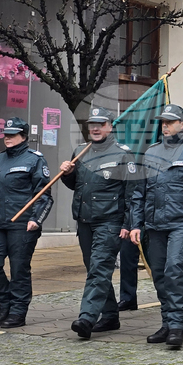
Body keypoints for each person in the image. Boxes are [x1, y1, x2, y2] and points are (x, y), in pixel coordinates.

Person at [129, 104, 183, 348]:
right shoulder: (151, 153)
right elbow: (139, 193)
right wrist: (136, 224)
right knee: (159, 273)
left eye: (170, 121)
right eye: (163, 122)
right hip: (155, 225)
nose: (165, 126)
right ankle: (167, 322)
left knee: (174, 270)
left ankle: (177, 326)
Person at [60, 107, 136, 339]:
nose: (94, 127)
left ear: (110, 126)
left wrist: (128, 223)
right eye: (92, 124)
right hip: (84, 221)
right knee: (95, 269)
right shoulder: (81, 151)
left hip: (110, 222)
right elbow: (78, 186)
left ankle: (86, 317)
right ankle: (111, 315)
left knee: (99, 268)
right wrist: (67, 173)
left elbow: (132, 193)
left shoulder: (123, 153)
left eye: (100, 124)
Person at [0, 117, 53, 328]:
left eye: (13, 135)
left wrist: (37, 219)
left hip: (22, 225)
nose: (8, 138)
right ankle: (5, 302)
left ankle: (17, 311)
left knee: (19, 269)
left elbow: (44, 195)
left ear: (23, 136)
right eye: (6, 135)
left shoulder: (34, 160)